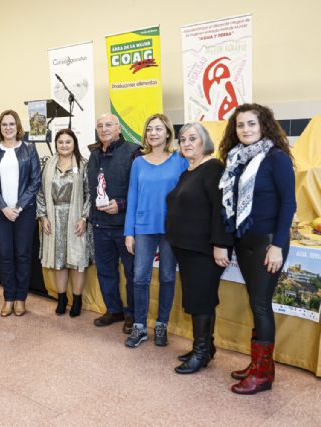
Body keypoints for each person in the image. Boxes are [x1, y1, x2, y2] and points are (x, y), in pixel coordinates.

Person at [218, 103, 296, 395]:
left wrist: (277, 246)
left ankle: (262, 375)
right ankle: (260, 364)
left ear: (263, 125)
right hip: (245, 239)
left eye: (252, 124)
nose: (246, 129)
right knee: (255, 301)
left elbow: (289, 203)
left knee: (261, 304)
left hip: (268, 241)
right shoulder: (236, 158)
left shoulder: (276, 158)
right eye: (240, 125)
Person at [165, 123, 233, 374]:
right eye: (183, 139)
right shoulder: (188, 171)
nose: (186, 143)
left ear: (205, 141)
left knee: (200, 301)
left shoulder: (213, 168)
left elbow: (221, 209)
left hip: (205, 250)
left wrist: (221, 245)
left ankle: (201, 351)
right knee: (198, 299)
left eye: (193, 138)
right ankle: (206, 347)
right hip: (187, 248)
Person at [124, 113, 188, 348]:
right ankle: (140, 326)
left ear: (168, 133)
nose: (153, 133)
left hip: (171, 229)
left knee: (167, 277)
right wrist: (129, 232)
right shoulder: (138, 162)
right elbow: (132, 197)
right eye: (150, 129)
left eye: (158, 129)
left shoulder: (180, 160)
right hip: (143, 228)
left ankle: (162, 324)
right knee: (140, 277)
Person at [0, 109, 41, 317]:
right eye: (4, 124)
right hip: (0, 213)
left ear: (18, 127)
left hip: (24, 212)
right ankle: (8, 298)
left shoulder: (29, 149)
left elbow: (36, 180)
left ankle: (20, 299)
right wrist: (4, 208)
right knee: (4, 255)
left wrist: (19, 206)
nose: (8, 127)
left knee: (23, 255)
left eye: (11, 124)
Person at [87, 113, 140, 331]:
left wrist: (121, 204)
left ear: (119, 128)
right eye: (100, 125)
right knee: (105, 271)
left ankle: (132, 314)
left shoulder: (133, 152)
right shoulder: (93, 154)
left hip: (124, 226)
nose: (104, 128)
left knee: (131, 273)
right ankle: (114, 309)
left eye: (109, 124)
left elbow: (140, 189)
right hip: (100, 225)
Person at [37, 129, 90, 317]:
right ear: (56, 144)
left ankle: (77, 300)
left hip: (76, 218)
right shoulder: (48, 165)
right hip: (53, 217)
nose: (64, 145)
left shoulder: (83, 165)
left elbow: (89, 194)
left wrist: (84, 218)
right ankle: (61, 299)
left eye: (68, 142)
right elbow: (41, 193)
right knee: (58, 261)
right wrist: (43, 216)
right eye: (60, 142)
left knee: (76, 262)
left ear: (74, 143)